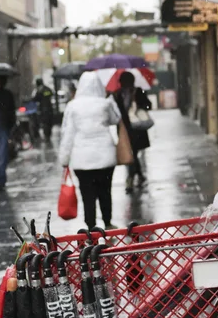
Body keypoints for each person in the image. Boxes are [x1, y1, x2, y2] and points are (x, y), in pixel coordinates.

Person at [58, 72, 122, 231]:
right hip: (105, 157)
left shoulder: (72, 106)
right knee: (105, 191)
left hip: (82, 160)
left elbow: (68, 134)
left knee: (87, 195)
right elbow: (116, 119)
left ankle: (91, 225)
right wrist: (111, 100)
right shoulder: (104, 104)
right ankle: (107, 222)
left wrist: (64, 159)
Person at [113, 71, 152, 191]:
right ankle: (139, 175)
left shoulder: (138, 91)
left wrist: (139, 106)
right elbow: (114, 112)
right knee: (132, 153)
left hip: (137, 128)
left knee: (132, 153)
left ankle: (131, 178)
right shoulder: (117, 94)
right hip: (125, 129)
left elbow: (148, 105)